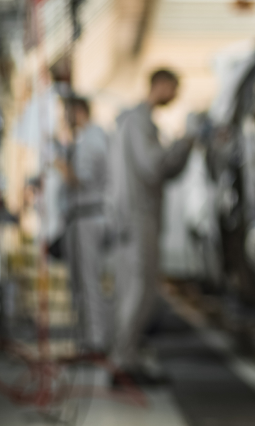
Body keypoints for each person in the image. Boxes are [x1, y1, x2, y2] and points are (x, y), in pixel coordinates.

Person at [107, 69, 194, 384]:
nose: (176, 95)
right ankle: (123, 363)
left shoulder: (137, 121)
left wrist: (185, 147)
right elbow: (154, 166)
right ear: (160, 84)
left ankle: (127, 358)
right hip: (137, 215)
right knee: (138, 290)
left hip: (136, 215)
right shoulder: (139, 121)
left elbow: (161, 169)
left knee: (136, 289)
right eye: (175, 87)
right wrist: (184, 142)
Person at [55, 97, 111, 356]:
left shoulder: (91, 141)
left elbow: (82, 180)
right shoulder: (86, 139)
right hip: (81, 217)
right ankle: (89, 339)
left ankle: (96, 341)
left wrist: (60, 166)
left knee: (88, 282)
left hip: (87, 216)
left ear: (78, 111)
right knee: (81, 282)